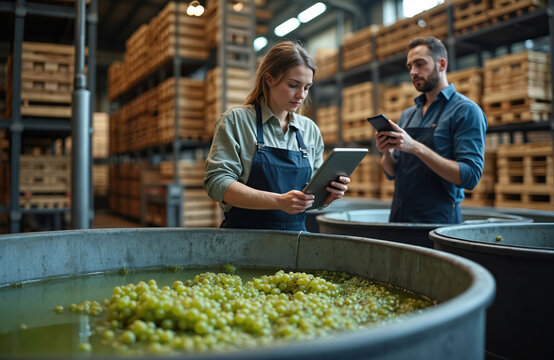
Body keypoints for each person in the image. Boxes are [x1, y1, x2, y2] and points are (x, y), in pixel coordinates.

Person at [204, 41, 350, 230]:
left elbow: (311, 197)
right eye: (293, 85)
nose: (301, 95)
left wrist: (328, 195)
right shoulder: (236, 121)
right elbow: (217, 183)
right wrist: (277, 201)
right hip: (242, 239)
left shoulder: (310, 130)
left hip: (296, 240)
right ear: (269, 79)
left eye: (307, 87)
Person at [376, 37, 487, 224]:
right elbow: (392, 173)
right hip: (399, 218)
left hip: (438, 223)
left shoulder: (465, 111)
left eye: (420, 64)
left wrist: (416, 147)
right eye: (410, 66)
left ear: (441, 64)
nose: (413, 72)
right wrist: (386, 152)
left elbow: (470, 176)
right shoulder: (409, 114)